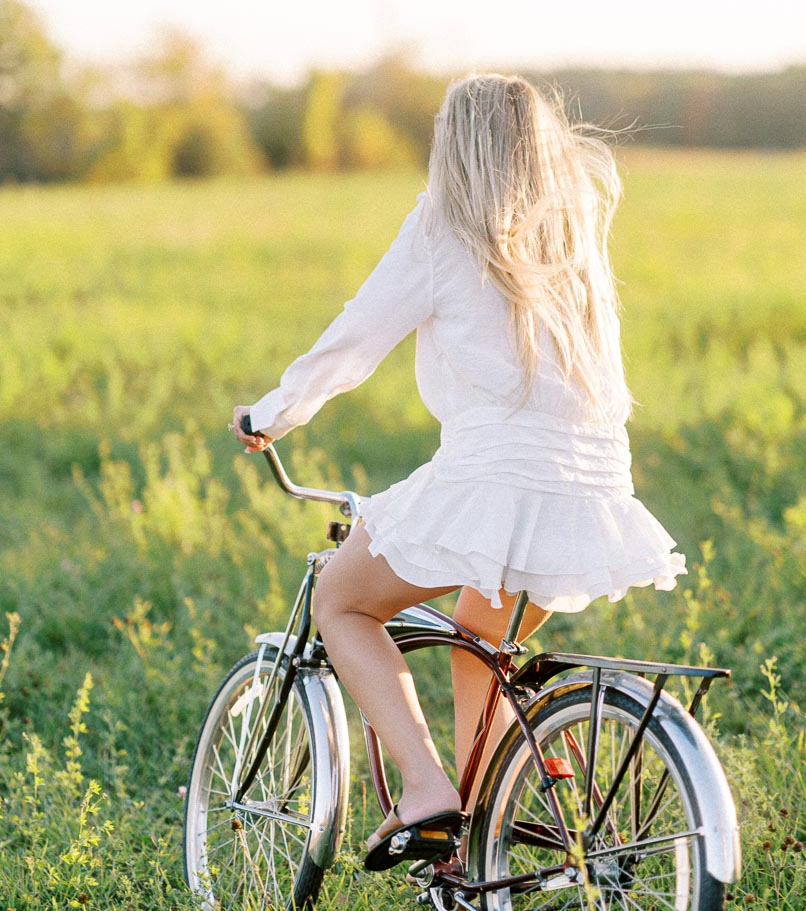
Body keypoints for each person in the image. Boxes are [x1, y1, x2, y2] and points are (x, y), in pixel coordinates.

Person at [232, 73, 685, 870]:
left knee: (342, 603)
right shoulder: (571, 230)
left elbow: (356, 337)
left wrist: (272, 414)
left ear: (455, 146)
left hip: (493, 479)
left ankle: (426, 790)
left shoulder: (441, 226)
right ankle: (479, 845)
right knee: (479, 641)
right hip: (592, 487)